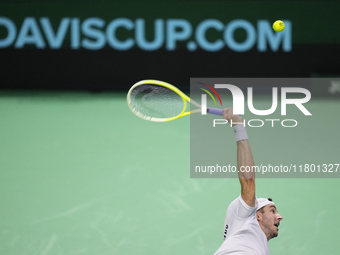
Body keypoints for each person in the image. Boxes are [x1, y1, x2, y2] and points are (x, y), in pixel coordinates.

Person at [213, 108, 283, 255]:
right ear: (257, 215)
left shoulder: (257, 246)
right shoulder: (244, 214)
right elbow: (248, 180)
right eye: (272, 211)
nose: (279, 216)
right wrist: (238, 126)